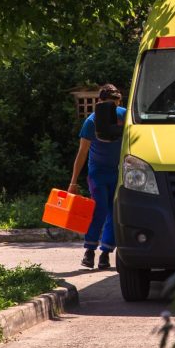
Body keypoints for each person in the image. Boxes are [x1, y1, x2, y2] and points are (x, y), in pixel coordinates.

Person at [68, 84, 126, 269]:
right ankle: (90, 251)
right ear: (100, 102)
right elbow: (82, 152)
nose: (113, 107)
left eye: (116, 103)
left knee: (115, 213)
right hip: (98, 174)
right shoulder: (91, 122)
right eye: (109, 103)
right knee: (99, 210)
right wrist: (73, 181)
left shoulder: (125, 117)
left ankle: (106, 253)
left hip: (118, 172)